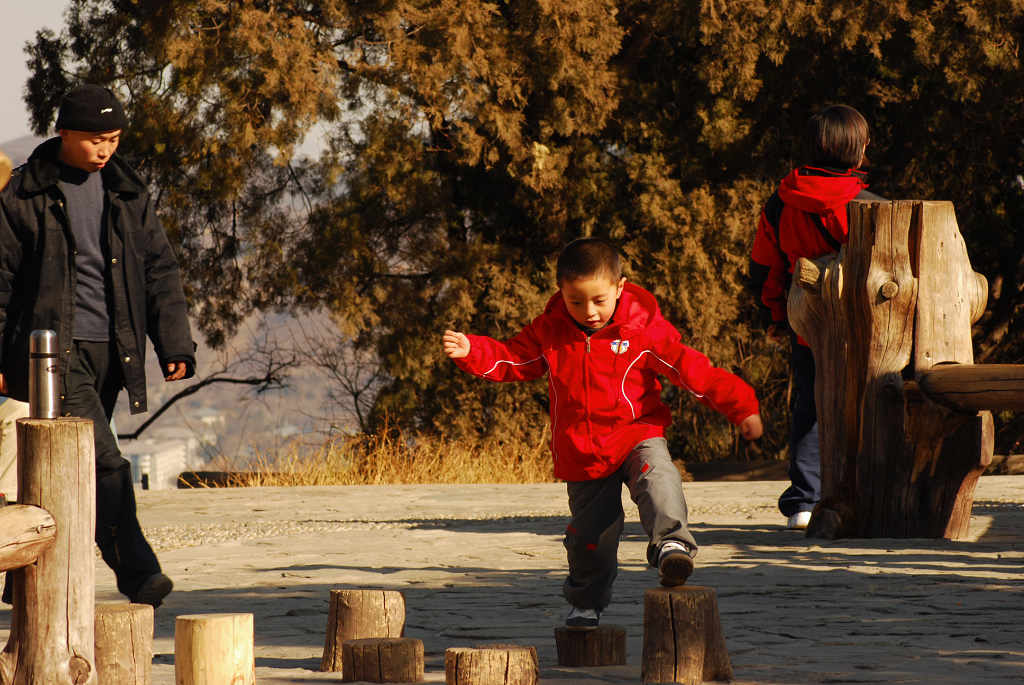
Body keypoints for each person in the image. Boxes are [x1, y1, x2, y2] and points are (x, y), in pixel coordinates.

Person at [443, 237, 762, 629]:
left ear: (620, 288)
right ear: (561, 292)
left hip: (636, 433)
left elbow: (692, 370)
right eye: (576, 302)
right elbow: (513, 359)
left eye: (599, 300)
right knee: (589, 537)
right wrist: (471, 350)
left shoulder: (643, 330)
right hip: (582, 450)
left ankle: (672, 544)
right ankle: (586, 604)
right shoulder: (550, 331)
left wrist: (741, 406)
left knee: (659, 477)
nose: (588, 312)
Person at [0, 84, 197, 608]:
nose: (104, 149)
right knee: (104, 463)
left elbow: (160, 271)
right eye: (94, 139)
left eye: (112, 139)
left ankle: (22, 572)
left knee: (70, 467)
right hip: (52, 353)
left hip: (114, 349)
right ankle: (139, 574)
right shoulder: (21, 196)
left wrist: (172, 342)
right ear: (64, 132)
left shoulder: (128, 192)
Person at [748, 104, 883, 530]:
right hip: (870, 330)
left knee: (809, 408)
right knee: (874, 405)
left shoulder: (780, 203)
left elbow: (764, 266)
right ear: (859, 152)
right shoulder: (872, 207)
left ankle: (804, 503)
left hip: (808, 323)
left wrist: (773, 315)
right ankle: (870, 494)